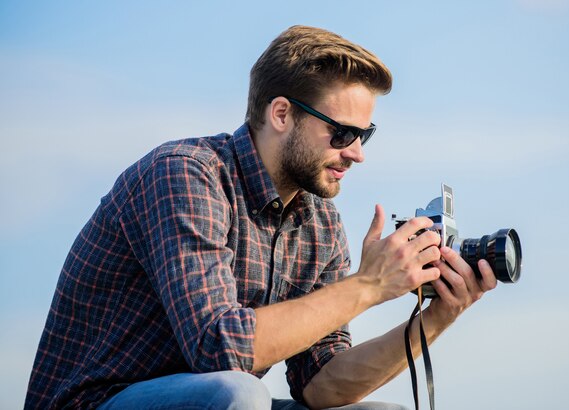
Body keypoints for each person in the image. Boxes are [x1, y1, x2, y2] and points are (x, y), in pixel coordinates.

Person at [25, 25, 497, 410]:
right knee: (240, 391)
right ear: (281, 114)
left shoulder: (321, 222)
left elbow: (321, 386)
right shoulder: (186, 174)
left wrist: (438, 317)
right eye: (341, 133)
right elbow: (219, 349)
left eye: (364, 135)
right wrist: (369, 286)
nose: (356, 153)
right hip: (93, 402)